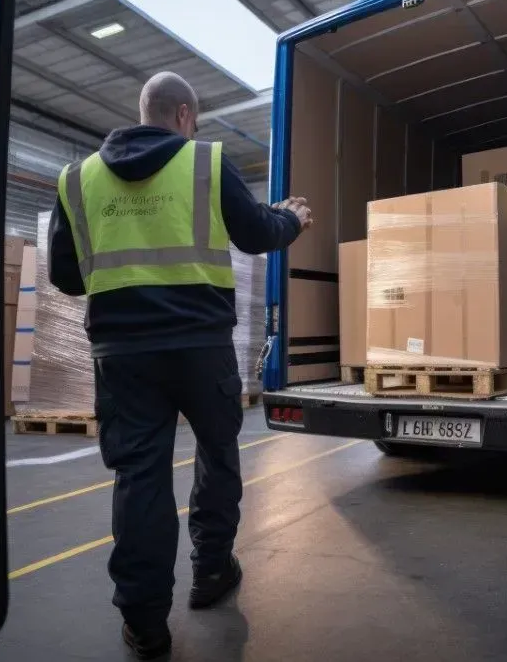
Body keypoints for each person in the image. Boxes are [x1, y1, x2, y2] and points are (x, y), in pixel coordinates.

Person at [48, 71, 311, 659]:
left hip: (122, 357)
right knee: (217, 453)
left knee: (139, 476)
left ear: (144, 111)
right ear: (186, 115)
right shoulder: (206, 162)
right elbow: (256, 233)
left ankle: (145, 623)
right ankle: (211, 571)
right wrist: (291, 218)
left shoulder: (76, 178)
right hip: (200, 347)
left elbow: (66, 276)